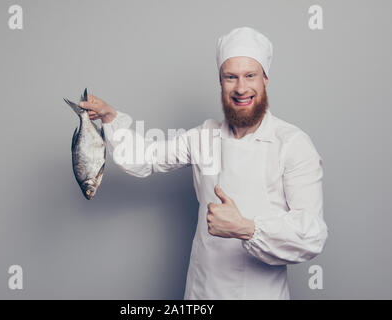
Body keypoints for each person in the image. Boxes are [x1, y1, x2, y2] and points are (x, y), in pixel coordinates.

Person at [79, 27, 328, 299]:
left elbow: (312, 233)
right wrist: (110, 117)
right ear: (220, 82)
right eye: (231, 77)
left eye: (250, 76)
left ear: (265, 78)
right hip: (202, 293)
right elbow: (146, 158)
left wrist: (246, 228)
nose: (241, 87)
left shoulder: (292, 143)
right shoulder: (204, 136)